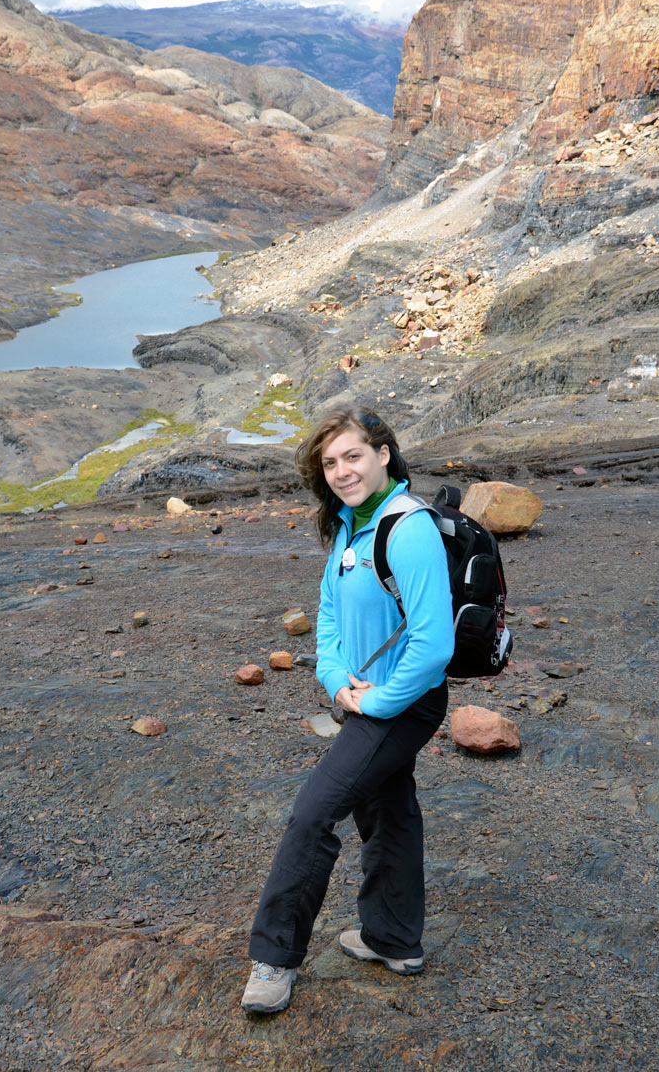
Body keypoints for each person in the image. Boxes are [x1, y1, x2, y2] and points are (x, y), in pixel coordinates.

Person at [241, 404, 454, 1013]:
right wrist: (335, 682)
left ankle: (274, 958)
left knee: (311, 816)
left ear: (384, 454)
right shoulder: (346, 525)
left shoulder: (407, 526)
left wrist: (378, 700)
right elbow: (329, 616)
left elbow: (433, 644)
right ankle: (395, 939)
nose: (341, 471)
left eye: (352, 455)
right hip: (364, 698)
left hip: (401, 704)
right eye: (330, 462)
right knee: (388, 808)